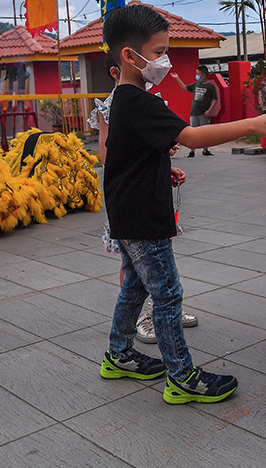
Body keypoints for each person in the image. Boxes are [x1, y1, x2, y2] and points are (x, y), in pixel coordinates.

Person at [99, 4, 266, 404]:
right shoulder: (139, 101)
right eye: (159, 50)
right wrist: (254, 124)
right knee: (166, 293)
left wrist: (160, 169)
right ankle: (182, 376)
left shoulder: (123, 101)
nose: (164, 60)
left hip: (126, 211)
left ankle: (118, 354)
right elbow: (193, 138)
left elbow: (122, 154)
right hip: (143, 218)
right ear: (130, 56)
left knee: (134, 286)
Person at [87, 53, 199, 344]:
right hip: (130, 197)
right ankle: (145, 317)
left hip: (150, 194)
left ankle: (163, 310)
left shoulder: (148, 101)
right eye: (154, 53)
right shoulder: (111, 106)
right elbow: (108, 154)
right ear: (117, 68)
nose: (161, 61)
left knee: (156, 266)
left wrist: (162, 160)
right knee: (134, 266)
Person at [171, 65, 217, 157]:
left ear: (203, 76)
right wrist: (177, 78)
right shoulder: (196, 85)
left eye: (198, 74)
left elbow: (215, 99)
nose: (196, 76)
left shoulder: (210, 87)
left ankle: (205, 150)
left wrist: (209, 111)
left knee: (205, 132)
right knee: (193, 132)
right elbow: (185, 88)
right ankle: (192, 151)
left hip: (204, 113)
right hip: (194, 113)